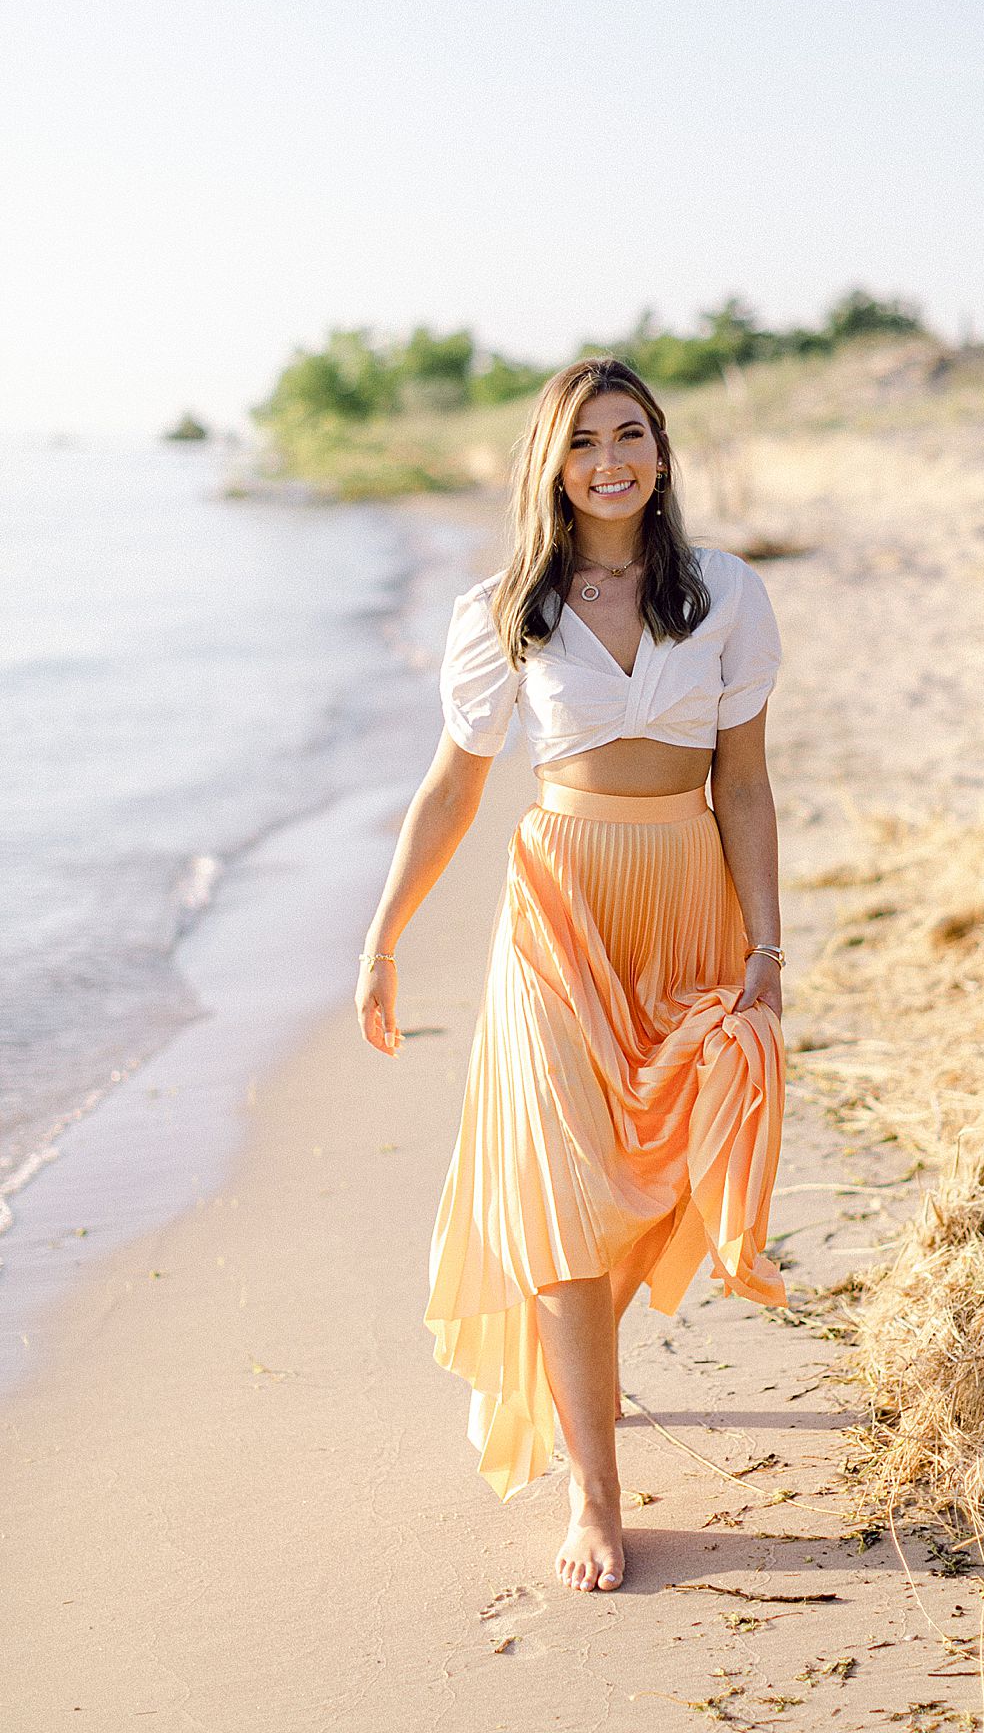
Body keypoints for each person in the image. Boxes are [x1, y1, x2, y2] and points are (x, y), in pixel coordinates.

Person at [355, 357, 788, 1596]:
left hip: (683, 903)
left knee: (645, 1170)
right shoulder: (507, 608)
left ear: (660, 450)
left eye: (632, 434)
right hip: (559, 909)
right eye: (586, 440)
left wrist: (765, 947)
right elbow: (453, 786)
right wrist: (382, 935)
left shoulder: (727, 597)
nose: (612, 459)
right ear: (552, 462)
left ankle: (592, 1391)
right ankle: (594, 1494)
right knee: (558, 1187)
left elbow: (742, 787)